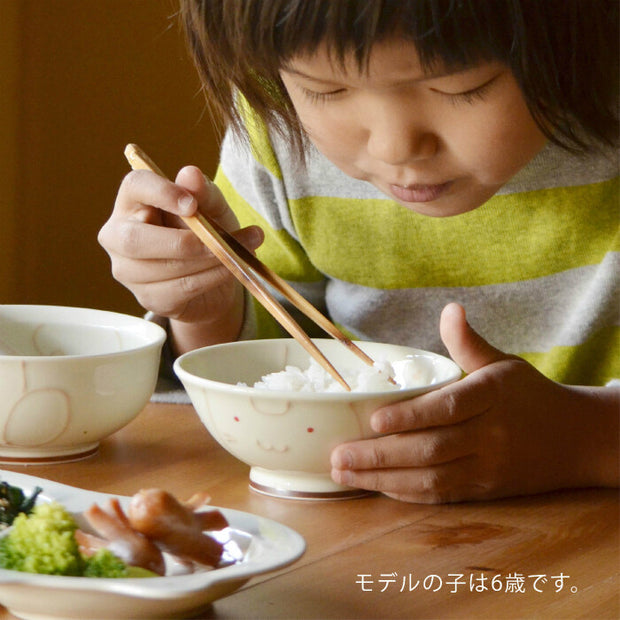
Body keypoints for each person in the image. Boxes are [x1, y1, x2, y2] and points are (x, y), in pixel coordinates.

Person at [98, 0, 619, 503]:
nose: (395, 147)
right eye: (326, 89)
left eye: (461, 85)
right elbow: (264, 368)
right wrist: (203, 307)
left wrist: (585, 440)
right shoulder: (281, 129)